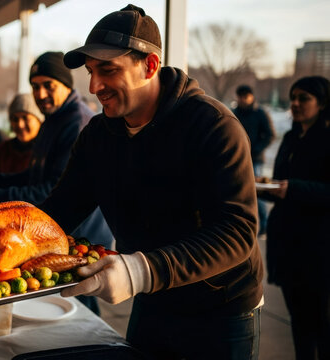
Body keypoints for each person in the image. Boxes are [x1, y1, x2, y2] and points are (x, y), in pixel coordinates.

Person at [38, 5, 263, 359]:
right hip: (150, 299)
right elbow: (60, 209)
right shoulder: (98, 135)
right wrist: (7, 238)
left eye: (108, 71)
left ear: (150, 65)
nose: (95, 86)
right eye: (91, 72)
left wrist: (140, 271)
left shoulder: (214, 126)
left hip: (219, 310)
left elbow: (237, 232)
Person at [0, 52, 112, 248]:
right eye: (35, 86)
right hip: (59, 233)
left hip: (84, 240)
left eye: (49, 85)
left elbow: (52, 189)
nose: (40, 94)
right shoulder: (52, 119)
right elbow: (37, 175)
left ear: (66, 85)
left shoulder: (77, 124)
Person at [261, 76, 330, 359]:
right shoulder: (290, 138)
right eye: (293, 98)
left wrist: (293, 189)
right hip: (289, 243)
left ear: (322, 103)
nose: (295, 104)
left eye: (304, 98)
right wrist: (263, 186)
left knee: (321, 323)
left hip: (319, 244)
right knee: (298, 321)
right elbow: (281, 183)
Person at [233, 84, 275, 235]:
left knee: (257, 192)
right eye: (240, 97)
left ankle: (263, 226)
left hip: (255, 159)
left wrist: (255, 149)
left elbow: (270, 135)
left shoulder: (260, 113)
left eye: (245, 96)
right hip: (236, 158)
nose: (242, 100)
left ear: (251, 97)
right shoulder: (234, 113)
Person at [0, 93, 43, 176]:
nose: (20, 125)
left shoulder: (47, 150)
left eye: (25, 118)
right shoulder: (3, 149)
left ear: (39, 120)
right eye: (15, 119)